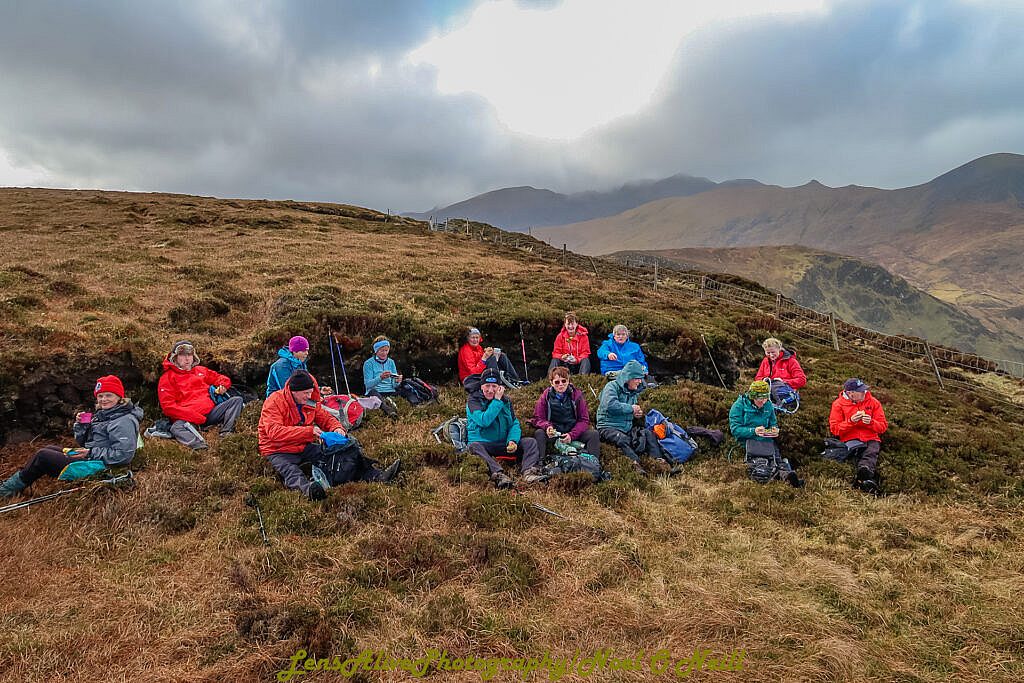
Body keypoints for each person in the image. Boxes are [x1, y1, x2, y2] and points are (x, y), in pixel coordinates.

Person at [258, 370, 400, 500]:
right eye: (305, 393)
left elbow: (324, 417)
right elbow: (273, 432)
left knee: (339, 454)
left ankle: (377, 476)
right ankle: (311, 492)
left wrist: (336, 427)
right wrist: (308, 431)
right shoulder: (274, 402)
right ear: (293, 391)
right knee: (291, 472)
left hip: (302, 444)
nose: (308, 396)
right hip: (276, 449)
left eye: (310, 392)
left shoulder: (309, 400)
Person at [1, 375, 142, 498]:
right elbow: (84, 442)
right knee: (49, 448)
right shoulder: (105, 415)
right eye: (100, 396)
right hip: (93, 459)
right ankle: (13, 486)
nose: (103, 399)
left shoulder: (123, 421)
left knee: (43, 456)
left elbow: (124, 455)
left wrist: (91, 452)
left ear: (119, 397)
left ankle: (6, 491)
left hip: (103, 468)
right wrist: (82, 426)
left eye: (108, 395)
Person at [158, 340, 243, 450]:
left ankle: (226, 433)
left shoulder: (200, 370)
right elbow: (168, 408)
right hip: (188, 419)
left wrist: (223, 386)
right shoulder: (167, 378)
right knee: (176, 427)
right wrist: (194, 416)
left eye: (189, 354)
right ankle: (199, 446)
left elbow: (221, 378)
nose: (187, 358)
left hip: (212, 412)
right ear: (175, 358)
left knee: (236, 401)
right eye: (183, 355)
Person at [466, 368, 543, 488]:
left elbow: (514, 423)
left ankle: (529, 473)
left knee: (530, 442)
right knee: (473, 447)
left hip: (503, 443)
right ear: (481, 386)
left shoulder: (506, 401)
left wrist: (512, 440)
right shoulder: (473, 401)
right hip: (484, 443)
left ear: (499, 387)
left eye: (494, 386)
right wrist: (496, 401)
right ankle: (498, 474)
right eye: (487, 385)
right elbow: (484, 421)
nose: (490, 390)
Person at [532, 366, 603, 480]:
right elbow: (537, 418)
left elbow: (584, 420)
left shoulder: (577, 396)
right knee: (539, 433)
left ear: (569, 381)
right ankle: (539, 464)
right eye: (557, 382)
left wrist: (572, 435)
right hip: (555, 433)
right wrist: (548, 427)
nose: (561, 384)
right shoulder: (545, 397)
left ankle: (594, 466)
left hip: (573, 431)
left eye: (564, 381)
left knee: (593, 434)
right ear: (551, 383)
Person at [729, 380, 802, 487]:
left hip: (767, 441)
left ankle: (788, 476)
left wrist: (774, 430)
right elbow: (735, 430)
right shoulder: (738, 406)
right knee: (762, 465)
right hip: (749, 441)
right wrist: (753, 431)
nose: (764, 401)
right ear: (752, 396)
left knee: (777, 460)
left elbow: (773, 423)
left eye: (766, 398)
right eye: (761, 399)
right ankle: (780, 476)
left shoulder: (768, 405)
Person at [829, 378, 888, 494]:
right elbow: (835, 430)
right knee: (858, 453)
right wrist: (850, 422)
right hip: (850, 439)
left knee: (871, 451)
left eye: (864, 390)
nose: (864, 393)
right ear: (850, 393)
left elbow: (883, 426)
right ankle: (866, 480)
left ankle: (864, 474)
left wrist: (871, 422)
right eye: (860, 391)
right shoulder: (838, 405)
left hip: (871, 438)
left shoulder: (873, 402)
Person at [596, 360, 653, 475]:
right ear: (628, 377)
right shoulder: (611, 387)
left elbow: (629, 410)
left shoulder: (633, 392)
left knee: (647, 433)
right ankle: (636, 465)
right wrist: (631, 408)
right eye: (637, 378)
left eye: (640, 378)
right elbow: (610, 405)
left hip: (626, 427)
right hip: (607, 427)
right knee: (622, 439)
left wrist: (636, 414)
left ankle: (658, 462)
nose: (639, 381)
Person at [457, 327, 521, 386]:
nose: (475, 340)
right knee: (492, 359)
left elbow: (482, 360)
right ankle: (497, 382)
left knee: (502, 355)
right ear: (468, 339)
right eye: (472, 337)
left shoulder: (478, 347)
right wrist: (484, 358)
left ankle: (515, 380)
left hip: (480, 374)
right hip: (470, 379)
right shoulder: (466, 350)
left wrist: (490, 353)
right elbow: (473, 372)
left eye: (477, 337)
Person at [753, 338, 807, 405]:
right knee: (751, 393)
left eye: (773, 352)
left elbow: (802, 380)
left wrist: (783, 381)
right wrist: (764, 380)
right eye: (768, 353)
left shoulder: (791, 361)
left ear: (779, 349)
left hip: (785, 389)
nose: (771, 355)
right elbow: (758, 377)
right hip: (768, 388)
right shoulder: (765, 361)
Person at [363, 335, 401, 418]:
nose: (384, 353)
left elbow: (394, 385)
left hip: (390, 391)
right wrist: (380, 378)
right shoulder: (368, 363)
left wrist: (397, 381)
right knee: (374, 394)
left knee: (405, 390)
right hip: (375, 391)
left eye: (386, 350)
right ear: (376, 351)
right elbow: (368, 385)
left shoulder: (391, 362)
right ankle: (389, 411)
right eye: (381, 350)